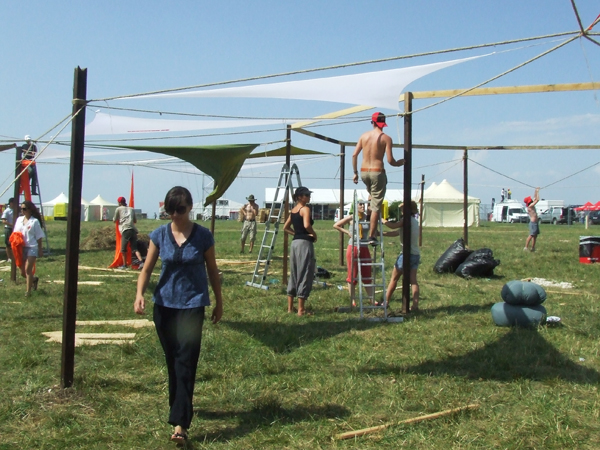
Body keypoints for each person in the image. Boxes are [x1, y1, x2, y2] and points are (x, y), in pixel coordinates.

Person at [134, 186, 223, 444]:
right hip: (164, 306)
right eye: (170, 210)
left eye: (180, 209)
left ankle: (180, 424)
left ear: (190, 208)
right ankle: (178, 409)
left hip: (192, 305)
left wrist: (219, 302)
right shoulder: (159, 235)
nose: (175, 214)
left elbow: (213, 271)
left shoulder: (203, 236)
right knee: (173, 360)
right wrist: (139, 294)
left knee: (186, 360)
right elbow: (146, 269)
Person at [352, 112, 404, 245]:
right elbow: (390, 160)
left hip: (364, 172)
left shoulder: (363, 136)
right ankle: (372, 235)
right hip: (377, 172)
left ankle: (369, 224)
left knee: (373, 199)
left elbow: (354, 155)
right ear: (383, 123)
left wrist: (355, 172)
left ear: (372, 122)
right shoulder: (386, 138)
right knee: (376, 205)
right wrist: (400, 163)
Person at [333, 201, 374, 306]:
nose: (362, 206)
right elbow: (336, 225)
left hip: (364, 247)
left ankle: (372, 299)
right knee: (352, 274)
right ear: (355, 206)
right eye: (360, 204)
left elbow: (374, 230)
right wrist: (347, 232)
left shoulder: (367, 217)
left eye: (363, 204)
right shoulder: (351, 217)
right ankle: (353, 300)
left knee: (367, 273)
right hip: (353, 247)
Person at [283, 186, 317, 316]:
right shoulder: (305, 209)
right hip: (304, 244)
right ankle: (301, 309)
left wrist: (296, 234)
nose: (309, 197)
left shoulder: (293, 210)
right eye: (306, 195)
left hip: (295, 244)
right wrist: (313, 234)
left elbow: (285, 227)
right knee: (304, 272)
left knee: (294, 272)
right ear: (299, 197)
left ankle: (290, 308)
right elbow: (307, 225)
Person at [382, 201, 421, 311]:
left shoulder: (405, 220)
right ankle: (415, 305)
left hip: (406, 254)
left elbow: (393, 226)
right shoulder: (414, 221)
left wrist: (383, 220)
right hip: (415, 254)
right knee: (413, 281)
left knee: (394, 278)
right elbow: (397, 232)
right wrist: (381, 233)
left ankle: (385, 302)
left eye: (403, 209)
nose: (401, 211)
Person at [12, 200, 44, 296]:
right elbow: (15, 233)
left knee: (28, 269)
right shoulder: (19, 220)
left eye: (24, 209)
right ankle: (34, 280)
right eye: (21, 209)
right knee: (22, 273)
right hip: (21, 247)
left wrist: (40, 249)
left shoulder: (34, 221)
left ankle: (28, 292)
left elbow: (39, 237)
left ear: (30, 210)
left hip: (32, 247)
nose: (22, 211)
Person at [113, 196, 142, 269]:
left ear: (119, 203)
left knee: (123, 249)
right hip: (133, 230)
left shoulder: (118, 209)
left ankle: (124, 265)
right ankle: (141, 262)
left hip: (125, 230)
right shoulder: (131, 209)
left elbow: (114, 220)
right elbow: (135, 221)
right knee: (135, 249)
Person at [524, 187, 540, 252]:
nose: (531, 199)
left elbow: (535, 198)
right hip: (533, 223)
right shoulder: (530, 206)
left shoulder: (531, 205)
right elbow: (537, 200)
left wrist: (535, 191)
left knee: (535, 236)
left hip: (535, 222)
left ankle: (533, 248)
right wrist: (538, 192)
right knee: (531, 235)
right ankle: (526, 247)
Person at [2, 198, 16, 263]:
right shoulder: (7, 211)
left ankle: (15, 256)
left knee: (15, 243)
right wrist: (11, 225)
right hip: (8, 229)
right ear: (11, 203)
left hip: (15, 229)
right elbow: (4, 221)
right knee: (8, 244)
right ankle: (9, 257)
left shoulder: (17, 210)